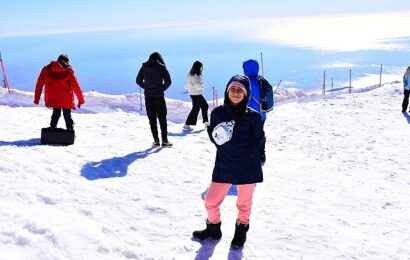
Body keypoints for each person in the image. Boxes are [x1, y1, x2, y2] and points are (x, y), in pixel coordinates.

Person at [193, 75, 265, 249]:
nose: (236, 93)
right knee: (210, 201)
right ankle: (213, 229)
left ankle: (240, 233)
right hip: (224, 164)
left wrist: (259, 157)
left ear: (246, 93)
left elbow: (259, 140)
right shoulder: (218, 113)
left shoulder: (253, 117)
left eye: (240, 90)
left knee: (243, 204)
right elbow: (217, 140)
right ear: (227, 91)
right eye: (233, 89)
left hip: (247, 166)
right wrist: (212, 132)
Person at [34, 54, 84, 130]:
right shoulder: (69, 71)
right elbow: (76, 87)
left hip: (53, 98)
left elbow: (39, 84)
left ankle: (52, 128)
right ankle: (70, 129)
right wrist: (81, 100)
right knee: (67, 114)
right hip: (66, 99)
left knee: (56, 113)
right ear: (67, 62)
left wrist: (36, 98)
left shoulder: (47, 68)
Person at [136, 52, 172, 147]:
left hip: (148, 97)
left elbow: (138, 80)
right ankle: (164, 141)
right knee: (162, 119)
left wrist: (147, 88)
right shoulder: (162, 67)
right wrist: (161, 89)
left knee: (152, 119)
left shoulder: (144, 67)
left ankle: (156, 141)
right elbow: (168, 81)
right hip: (159, 96)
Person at [242, 59, 271, 162]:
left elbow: (246, 99)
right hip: (262, 114)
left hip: (251, 115)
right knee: (259, 133)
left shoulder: (247, 82)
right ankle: (262, 153)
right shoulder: (261, 80)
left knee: (249, 134)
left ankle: (251, 154)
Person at [183, 61, 209, 130]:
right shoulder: (196, 75)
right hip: (197, 94)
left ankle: (206, 122)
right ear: (199, 67)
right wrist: (203, 86)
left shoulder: (190, 74)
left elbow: (186, 85)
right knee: (195, 109)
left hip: (193, 93)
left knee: (204, 105)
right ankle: (187, 124)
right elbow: (197, 86)